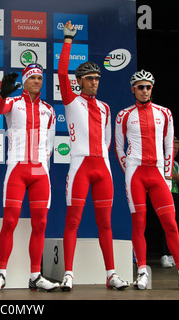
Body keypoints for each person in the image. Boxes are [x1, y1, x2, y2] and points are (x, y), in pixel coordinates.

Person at [115, 69, 179, 289]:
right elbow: (119, 148)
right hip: (136, 173)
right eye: (140, 87)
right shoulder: (123, 115)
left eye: (148, 87)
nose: (145, 90)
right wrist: (129, 170)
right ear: (133, 89)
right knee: (139, 224)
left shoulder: (164, 113)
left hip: (158, 173)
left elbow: (169, 146)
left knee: (171, 224)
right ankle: (141, 272)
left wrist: (167, 176)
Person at [57, 21, 128, 291]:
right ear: (79, 82)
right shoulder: (71, 101)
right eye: (89, 79)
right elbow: (62, 71)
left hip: (103, 167)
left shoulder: (106, 107)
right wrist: (67, 39)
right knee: (73, 221)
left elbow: (108, 141)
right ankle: (69, 274)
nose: (94, 82)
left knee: (105, 223)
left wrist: (102, 160)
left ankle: (111, 274)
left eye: (97, 78)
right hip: (80, 165)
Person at [0, 63, 58, 292]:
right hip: (17, 167)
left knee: (40, 223)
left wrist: (42, 163)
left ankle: (35, 275)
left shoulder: (48, 109)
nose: (37, 81)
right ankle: (1, 274)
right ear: (25, 81)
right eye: (33, 78)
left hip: (39, 170)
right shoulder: (13, 102)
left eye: (40, 77)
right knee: (10, 221)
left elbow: (50, 142)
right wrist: (2, 92)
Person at [161, 137, 179, 268]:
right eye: (174, 148)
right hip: (164, 194)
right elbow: (160, 176)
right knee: (166, 224)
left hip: (175, 194)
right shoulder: (161, 160)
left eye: (177, 149)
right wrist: (173, 176)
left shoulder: (175, 163)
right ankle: (164, 255)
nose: (176, 151)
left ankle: (172, 255)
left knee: (176, 223)